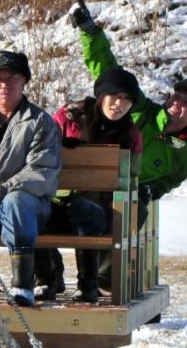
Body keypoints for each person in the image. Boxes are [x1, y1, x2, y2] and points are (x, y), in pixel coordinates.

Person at [70, 0, 187, 288]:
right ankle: (86, 276)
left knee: (133, 208)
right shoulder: (142, 110)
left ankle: (106, 277)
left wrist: (150, 189)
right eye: (176, 95)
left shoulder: (183, 157)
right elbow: (108, 71)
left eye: (186, 103)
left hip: (129, 197)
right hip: (98, 182)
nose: (177, 102)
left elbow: (169, 182)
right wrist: (89, 30)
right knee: (88, 205)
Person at [34, 67, 143, 303]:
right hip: (58, 199)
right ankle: (45, 277)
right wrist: (61, 146)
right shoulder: (69, 117)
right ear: (102, 95)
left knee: (84, 208)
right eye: (115, 96)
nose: (119, 104)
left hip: (97, 209)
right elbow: (40, 151)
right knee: (30, 209)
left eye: (127, 100)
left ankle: (88, 284)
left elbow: (131, 178)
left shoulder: (130, 134)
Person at [0, 50, 61, 307]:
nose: (4, 84)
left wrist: (0, 190)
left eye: (11, 78)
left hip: (30, 209)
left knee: (16, 201)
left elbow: (40, 172)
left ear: (24, 82)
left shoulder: (41, 122)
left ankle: (22, 286)